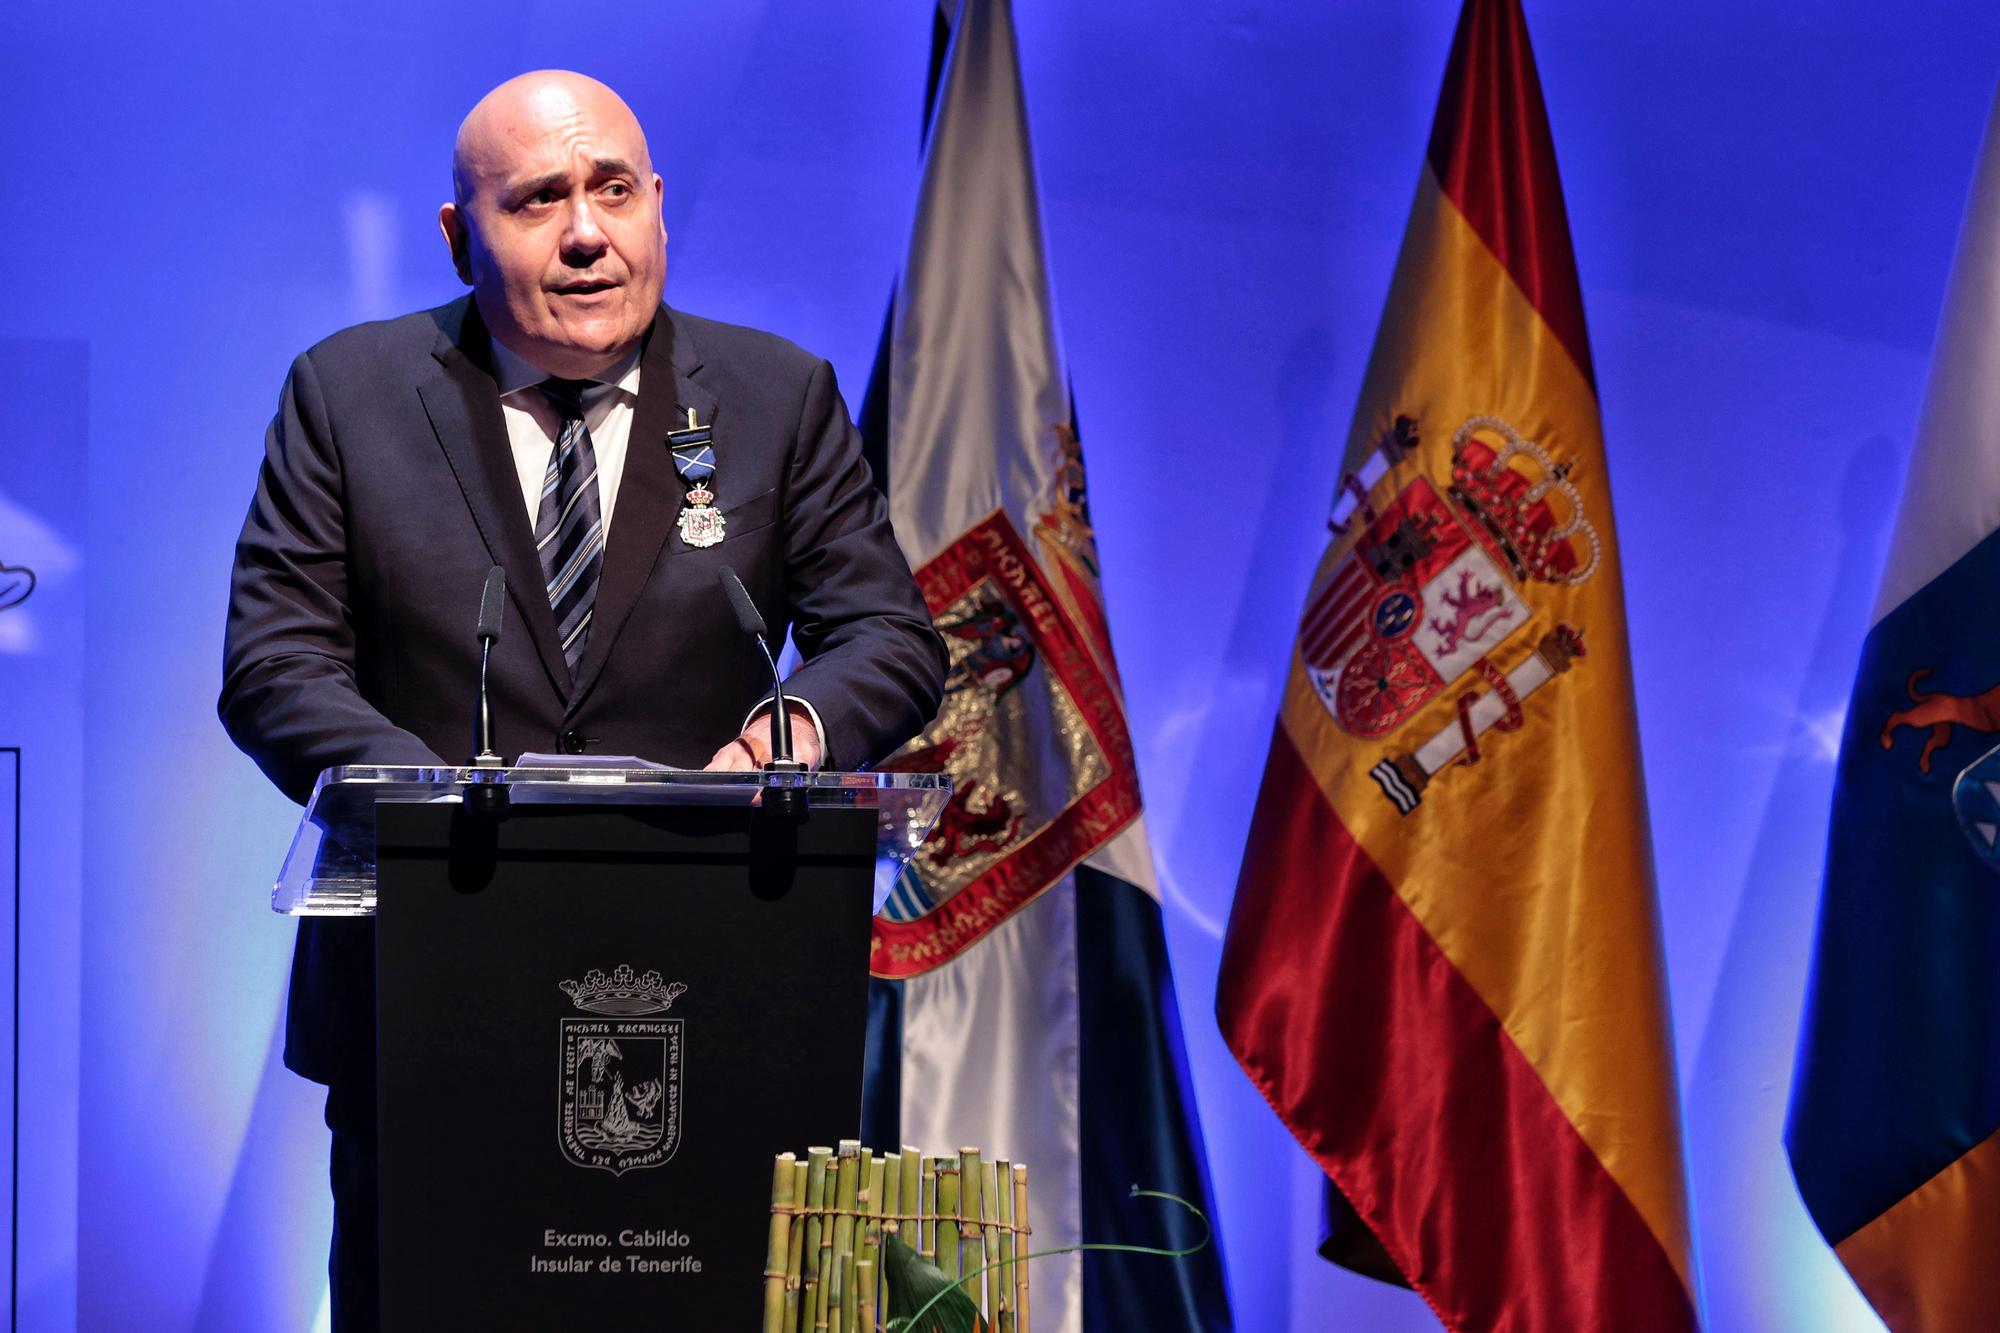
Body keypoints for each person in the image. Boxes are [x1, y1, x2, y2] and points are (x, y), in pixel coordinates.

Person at [218, 70, 946, 1329]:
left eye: (613, 189)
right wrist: (438, 813)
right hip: (425, 1006)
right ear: (460, 236)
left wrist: (792, 728)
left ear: (658, 204)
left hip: (721, 999)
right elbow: (275, 665)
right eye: (538, 198)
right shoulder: (347, 396)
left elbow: (885, 634)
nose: (586, 232)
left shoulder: (776, 398)